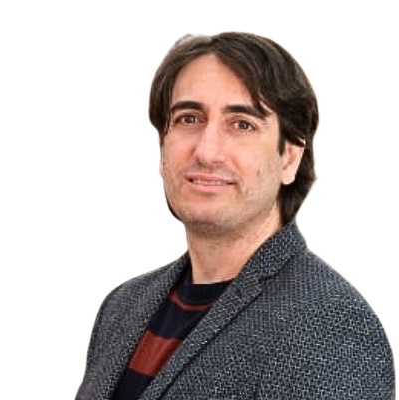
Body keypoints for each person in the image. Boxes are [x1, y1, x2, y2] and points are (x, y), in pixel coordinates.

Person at [75, 32, 396, 400]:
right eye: (189, 118)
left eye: (242, 124)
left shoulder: (331, 325)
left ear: (290, 157)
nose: (207, 151)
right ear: (161, 147)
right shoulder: (120, 306)